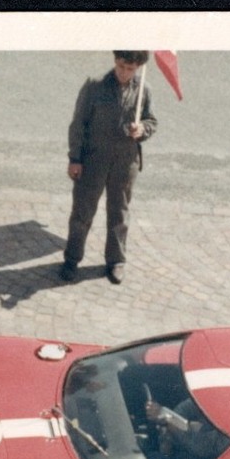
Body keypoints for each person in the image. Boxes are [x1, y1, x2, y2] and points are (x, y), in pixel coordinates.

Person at [61, 51, 157, 284]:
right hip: (94, 160)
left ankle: (116, 261)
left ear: (138, 67)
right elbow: (78, 125)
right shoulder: (94, 86)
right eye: (122, 66)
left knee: (119, 213)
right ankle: (72, 259)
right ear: (116, 61)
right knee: (82, 212)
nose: (125, 73)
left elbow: (151, 121)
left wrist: (142, 129)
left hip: (125, 162)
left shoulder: (143, 89)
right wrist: (75, 158)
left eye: (131, 68)